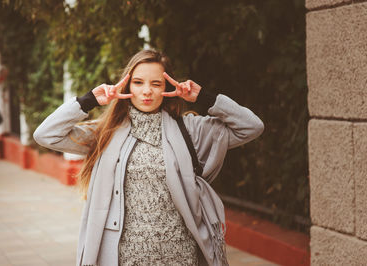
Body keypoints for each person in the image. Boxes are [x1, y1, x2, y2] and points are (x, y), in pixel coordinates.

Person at [33, 49, 264, 266]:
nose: (146, 91)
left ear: (167, 87)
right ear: (127, 85)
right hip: (126, 256)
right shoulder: (106, 132)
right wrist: (88, 101)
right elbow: (46, 135)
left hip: (179, 254)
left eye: (156, 84)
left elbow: (251, 127)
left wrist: (205, 97)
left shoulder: (191, 130)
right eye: (138, 82)